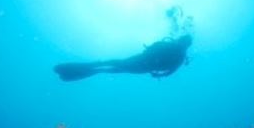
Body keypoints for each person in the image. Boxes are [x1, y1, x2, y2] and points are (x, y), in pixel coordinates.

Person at [54, 33, 192, 81]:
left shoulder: (172, 46)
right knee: (122, 68)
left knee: (121, 63)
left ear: (181, 40)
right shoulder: (181, 57)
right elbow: (170, 72)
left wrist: (149, 51)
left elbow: (154, 45)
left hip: (143, 59)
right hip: (146, 66)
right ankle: (97, 69)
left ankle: (96, 65)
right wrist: (157, 75)